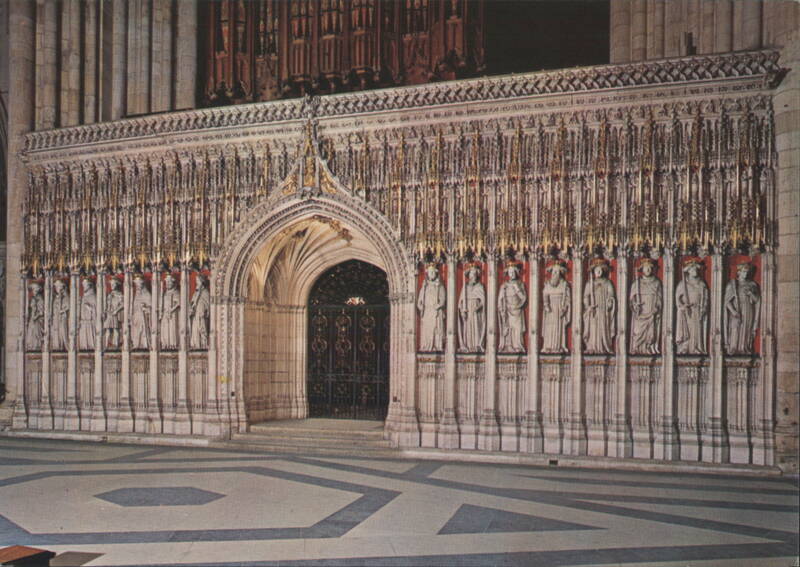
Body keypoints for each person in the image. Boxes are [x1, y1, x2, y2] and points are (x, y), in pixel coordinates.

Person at [724, 262, 760, 355]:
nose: (745, 274)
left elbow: (757, 300)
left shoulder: (752, 285)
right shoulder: (732, 285)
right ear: (739, 272)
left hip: (748, 309)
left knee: (746, 329)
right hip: (736, 310)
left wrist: (751, 294)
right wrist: (733, 311)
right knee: (735, 329)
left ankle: (744, 348)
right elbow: (727, 301)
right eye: (743, 272)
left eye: (747, 272)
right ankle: (733, 348)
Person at [675, 259, 709, 355]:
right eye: (692, 269)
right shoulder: (682, 284)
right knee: (686, 329)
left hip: (697, 309)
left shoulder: (701, 284)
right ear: (688, 271)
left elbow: (705, 298)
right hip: (686, 311)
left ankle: (696, 347)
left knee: (697, 329)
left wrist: (703, 308)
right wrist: (682, 306)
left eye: (696, 269)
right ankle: (685, 347)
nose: (695, 271)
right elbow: (677, 299)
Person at [583, 259, 616, 354]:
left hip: (603, 308)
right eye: (596, 270)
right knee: (593, 327)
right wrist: (589, 305)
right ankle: (591, 346)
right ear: (593, 271)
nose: (598, 272)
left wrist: (609, 302)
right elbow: (585, 297)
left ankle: (603, 347)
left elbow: (611, 295)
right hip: (593, 309)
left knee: (603, 326)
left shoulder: (607, 283)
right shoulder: (590, 284)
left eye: (600, 270)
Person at [629, 258, 662, 355]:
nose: (648, 270)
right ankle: (636, 348)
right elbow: (632, 300)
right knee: (638, 332)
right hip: (641, 313)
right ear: (641, 269)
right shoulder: (637, 283)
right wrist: (635, 305)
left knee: (651, 333)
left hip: (652, 312)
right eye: (646, 268)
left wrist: (657, 307)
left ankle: (650, 347)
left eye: (650, 268)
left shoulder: (656, 283)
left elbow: (659, 298)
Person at [541, 261, 571, 354]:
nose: (555, 274)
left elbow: (567, 298)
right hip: (550, 308)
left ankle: (559, 346)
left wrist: (564, 308)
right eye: (554, 272)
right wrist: (546, 305)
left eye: (557, 272)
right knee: (549, 327)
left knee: (559, 327)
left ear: (560, 273)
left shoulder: (564, 284)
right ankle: (548, 346)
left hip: (559, 307)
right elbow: (545, 295)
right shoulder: (548, 284)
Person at [498, 262, 527, 353]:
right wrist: (502, 309)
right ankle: (508, 345)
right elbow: (500, 299)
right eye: (510, 272)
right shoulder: (504, 285)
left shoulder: (520, 284)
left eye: (514, 272)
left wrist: (517, 289)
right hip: (508, 309)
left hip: (517, 309)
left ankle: (518, 345)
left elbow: (523, 298)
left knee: (517, 328)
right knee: (508, 328)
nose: (512, 274)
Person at [417, 263, 446, 352]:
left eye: (433, 272)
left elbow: (443, 299)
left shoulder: (439, 286)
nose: (432, 273)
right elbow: (419, 301)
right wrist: (420, 306)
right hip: (427, 312)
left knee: (436, 329)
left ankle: (437, 346)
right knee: (427, 330)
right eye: (430, 272)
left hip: (436, 311)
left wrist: (439, 305)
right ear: (427, 274)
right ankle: (427, 345)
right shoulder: (424, 287)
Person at [458, 264, 486, 353]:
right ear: (468, 275)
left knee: (477, 327)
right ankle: (467, 345)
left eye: (474, 274)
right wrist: (462, 310)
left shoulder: (479, 286)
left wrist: (479, 306)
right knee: (467, 327)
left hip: (476, 310)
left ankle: (477, 345)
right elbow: (461, 302)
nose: (473, 276)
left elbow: (483, 300)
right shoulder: (465, 287)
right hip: (468, 309)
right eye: (471, 274)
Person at [190, 275, 211, 349]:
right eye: (196, 282)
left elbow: (208, 303)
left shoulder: (205, 292)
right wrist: (191, 307)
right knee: (195, 328)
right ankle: (196, 344)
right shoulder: (196, 293)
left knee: (202, 327)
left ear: (202, 282)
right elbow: (192, 302)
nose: (196, 283)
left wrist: (206, 310)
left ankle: (204, 344)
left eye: (198, 281)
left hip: (202, 313)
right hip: (195, 313)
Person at [160, 274, 180, 350]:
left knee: (172, 328)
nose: (167, 284)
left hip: (173, 314)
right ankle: (165, 344)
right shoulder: (165, 293)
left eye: (169, 282)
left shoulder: (175, 292)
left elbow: (179, 302)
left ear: (173, 283)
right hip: (166, 312)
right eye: (166, 282)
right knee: (165, 328)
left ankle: (172, 344)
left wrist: (171, 310)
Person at [131, 275, 152, 350]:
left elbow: (151, 306)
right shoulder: (136, 294)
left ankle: (144, 344)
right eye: (136, 285)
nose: (137, 286)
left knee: (143, 329)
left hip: (143, 316)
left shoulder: (146, 294)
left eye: (138, 284)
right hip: (136, 316)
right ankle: (136, 344)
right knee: (136, 329)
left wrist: (145, 308)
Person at [103, 278, 124, 349]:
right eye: (111, 284)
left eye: (113, 284)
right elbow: (107, 304)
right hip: (109, 313)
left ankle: (116, 344)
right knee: (107, 329)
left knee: (116, 329)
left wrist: (116, 310)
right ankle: (106, 345)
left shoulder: (119, 295)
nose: (112, 286)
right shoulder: (110, 295)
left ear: (116, 285)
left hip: (115, 314)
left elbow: (123, 304)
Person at [50, 279, 70, 351]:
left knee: (62, 330)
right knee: (56, 330)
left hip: (62, 317)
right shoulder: (56, 297)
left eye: (58, 287)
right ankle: (57, 346)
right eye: (56, 287)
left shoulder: (65, 296)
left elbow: (68, 306)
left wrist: (62, 310)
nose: (56, 288)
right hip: (56, 317)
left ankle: (63, 345)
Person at [78, 278, 97, 350]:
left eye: (85, 285)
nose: (84, 286)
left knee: (91, 338)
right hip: (83, 321)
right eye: (83, 285)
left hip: (90, 322)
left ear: (90, 285)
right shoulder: (84, 297)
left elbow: (96, 310)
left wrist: (90, 308)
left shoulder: (93, 296)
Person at [25, 282, 45, 351]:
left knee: (36, 333)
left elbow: (41, 312)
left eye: (34, 290)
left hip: (37, 319)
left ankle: (36, 347)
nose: (33, 292)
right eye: (33, 290)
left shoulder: (40, 299)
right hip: (32, 318)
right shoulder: (33, 298)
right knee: (31, 332)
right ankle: (31, 346)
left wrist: (35, 317)